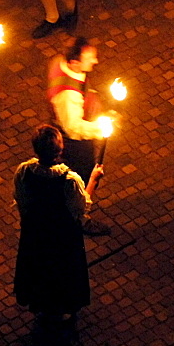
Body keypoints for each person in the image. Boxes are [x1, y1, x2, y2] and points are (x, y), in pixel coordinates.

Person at [14, 125, 104, 323]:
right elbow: (80, 208)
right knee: (63, 272)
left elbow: (22, 201)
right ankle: (61, 309)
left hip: (36, 234)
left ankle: (42, 306)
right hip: (63, 237)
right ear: (60, 150)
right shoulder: (70, 180)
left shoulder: (23, 171)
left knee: (40, 269)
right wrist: (93, 181)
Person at [46, 37, 115, 236]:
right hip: (74, 144)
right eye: (89, 57)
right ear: (74, 63)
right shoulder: (68, 95)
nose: (95, 61)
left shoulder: (61, 62)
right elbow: (74, 128)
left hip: (71, 133)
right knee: (82, 179)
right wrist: (100, 129)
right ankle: (78, 218)